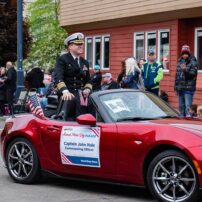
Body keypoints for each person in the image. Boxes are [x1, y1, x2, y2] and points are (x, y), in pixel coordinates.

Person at [55, 32, 93, 119]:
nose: (81, 46)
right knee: (72, 100)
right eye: (78, 44)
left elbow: (88, 80)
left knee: (94, 103)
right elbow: (59, 77)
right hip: (69, 92)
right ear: (70, 46)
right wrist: (65, 91)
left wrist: (87, 88)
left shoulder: (84, 62)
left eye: (82, 44)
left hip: (82, 94)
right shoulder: (63, 59)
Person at [174, 45, 198, 117]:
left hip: (188, 88)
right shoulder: (180, 61)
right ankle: (182, 122)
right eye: (183, 53)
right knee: (181, 107)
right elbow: (177, 75)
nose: (184, 55)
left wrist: (185, 71)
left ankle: (189, 121)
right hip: (180, 88)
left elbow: (192, 75)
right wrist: (176, 87)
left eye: (186, 53)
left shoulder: (193, 62)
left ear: (189, 53)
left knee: (188, 107)